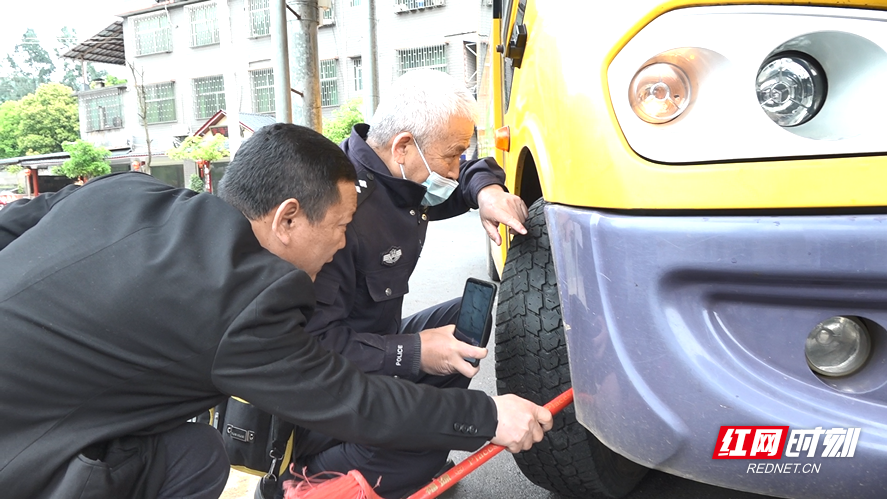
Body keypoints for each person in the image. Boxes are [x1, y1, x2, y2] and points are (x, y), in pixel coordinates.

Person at [0, 123, 552, 499]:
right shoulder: (248, 298)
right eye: (339, 228)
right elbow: (350, 400)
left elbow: (13, 223)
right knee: (198, 458)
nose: (341, 245)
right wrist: (490, 418)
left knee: (188, 445)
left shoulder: (127, 191)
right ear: (288, 219)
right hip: (19, 456)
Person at [265, 70, 532, 499]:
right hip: (325, 400)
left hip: (372, 349)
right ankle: (312, 475)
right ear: (404, 146)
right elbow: (313, 350)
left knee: (464, 319)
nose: (456, 166)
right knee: (427, 447)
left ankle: (409, 444)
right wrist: (416, 352)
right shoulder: (335, 213)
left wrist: (486, 191)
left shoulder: (404, 182)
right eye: (453, 154)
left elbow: (467, 174)